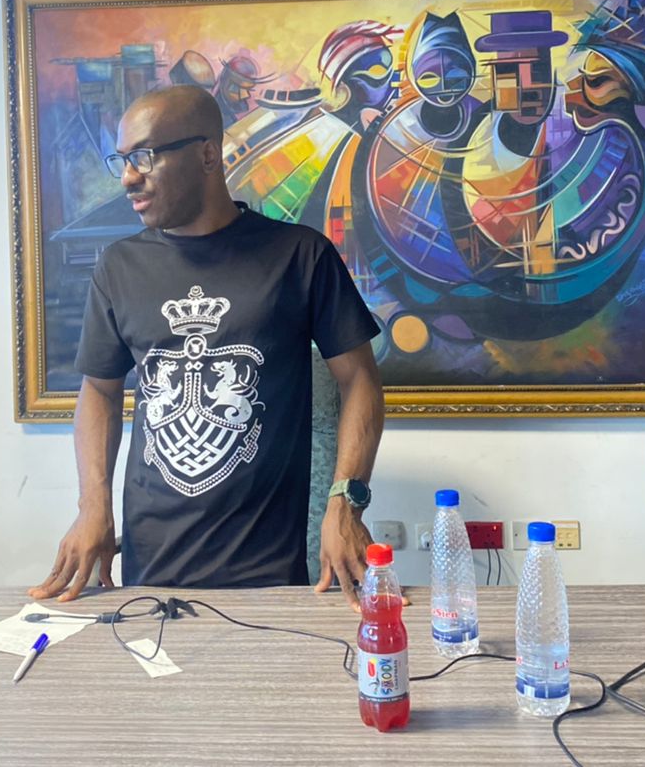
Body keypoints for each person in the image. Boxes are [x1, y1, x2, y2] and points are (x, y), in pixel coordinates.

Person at [29, 84, 386, 612]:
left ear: (206, 155)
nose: (128, 177)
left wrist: (346, 501)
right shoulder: (118, 268)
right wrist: (92, 506)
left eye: (144, 157)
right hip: (149, 568)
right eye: (123, 160)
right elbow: (99, 391)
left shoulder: (300, 256)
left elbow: (359, 381)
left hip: (269, 572)